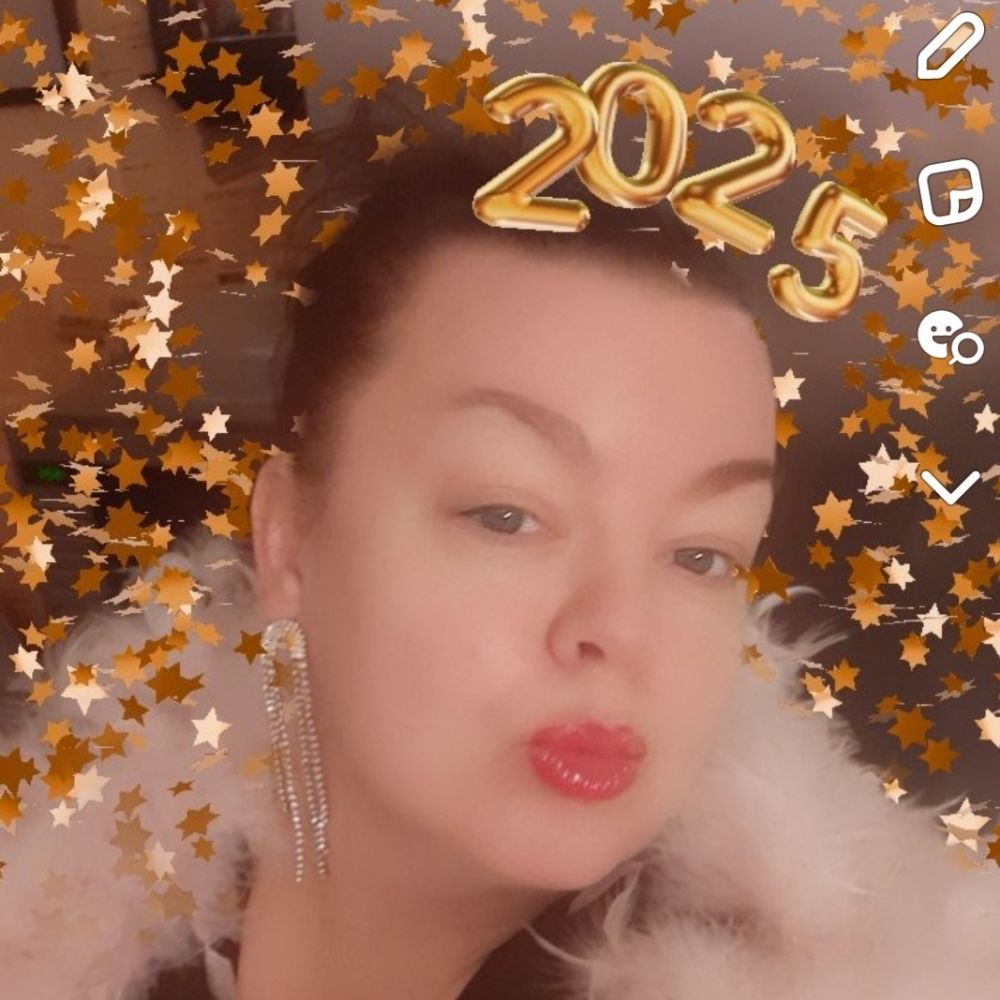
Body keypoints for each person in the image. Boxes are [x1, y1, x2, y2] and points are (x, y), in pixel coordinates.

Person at [2, 126, 999, 1000]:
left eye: (700, 554)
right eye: (507, 515)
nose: (619, 628)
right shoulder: (57, 907)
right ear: (289, 538)